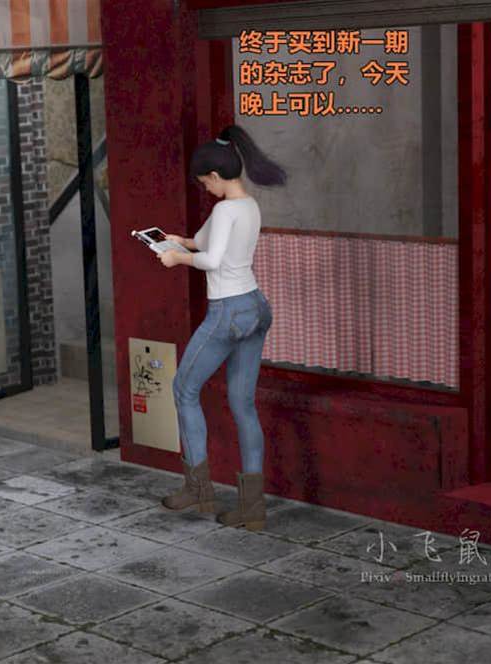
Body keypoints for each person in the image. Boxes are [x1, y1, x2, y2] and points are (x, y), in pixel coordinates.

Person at [156, 124, 286, 531]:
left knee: (183, 389)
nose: (205, 189)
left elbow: (212, 261)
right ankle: (252, 509)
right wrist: (179, 241)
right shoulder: (248, 206)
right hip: (255, 307)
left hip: (228, 311)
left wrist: (177, 259)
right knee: (243, 404)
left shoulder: (224, 210)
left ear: (215, 175)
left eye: (204, 183)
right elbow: (203, 241)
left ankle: (198, 490)